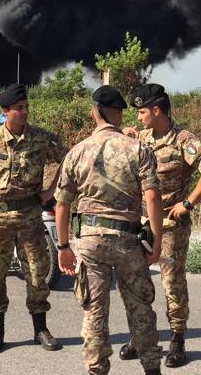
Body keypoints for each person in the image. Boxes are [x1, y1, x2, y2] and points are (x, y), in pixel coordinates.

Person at [54, 85, 165, 375]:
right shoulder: (138, 148)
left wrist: (63, 247)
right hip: (128, 240)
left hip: (90, 241)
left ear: (94, 113)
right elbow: (152, 197)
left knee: (94, 312)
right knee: (140, 308)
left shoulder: (77, 152)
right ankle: (152, 368)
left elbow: (62, 205)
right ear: (118, 114)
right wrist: (156, 239)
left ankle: (96, 369)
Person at [0, 83, 67, 355]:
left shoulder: (41, 139)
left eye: (27, 107)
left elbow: (69, 159)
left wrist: (52, 190)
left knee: (37, 275)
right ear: (6, 112)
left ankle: (40, 329)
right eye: (20, 108)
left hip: (31, 215)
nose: (25, 111)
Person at [119, 83, 201, 368]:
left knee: (171, 283)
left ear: (156, 110)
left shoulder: (183, 139)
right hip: (140, 223)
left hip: (171, 223)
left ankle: (177, 339)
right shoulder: (141, 137)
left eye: (141, 112)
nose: (138, 117)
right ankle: (139, 336)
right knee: (134, 281)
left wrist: (187, 203)